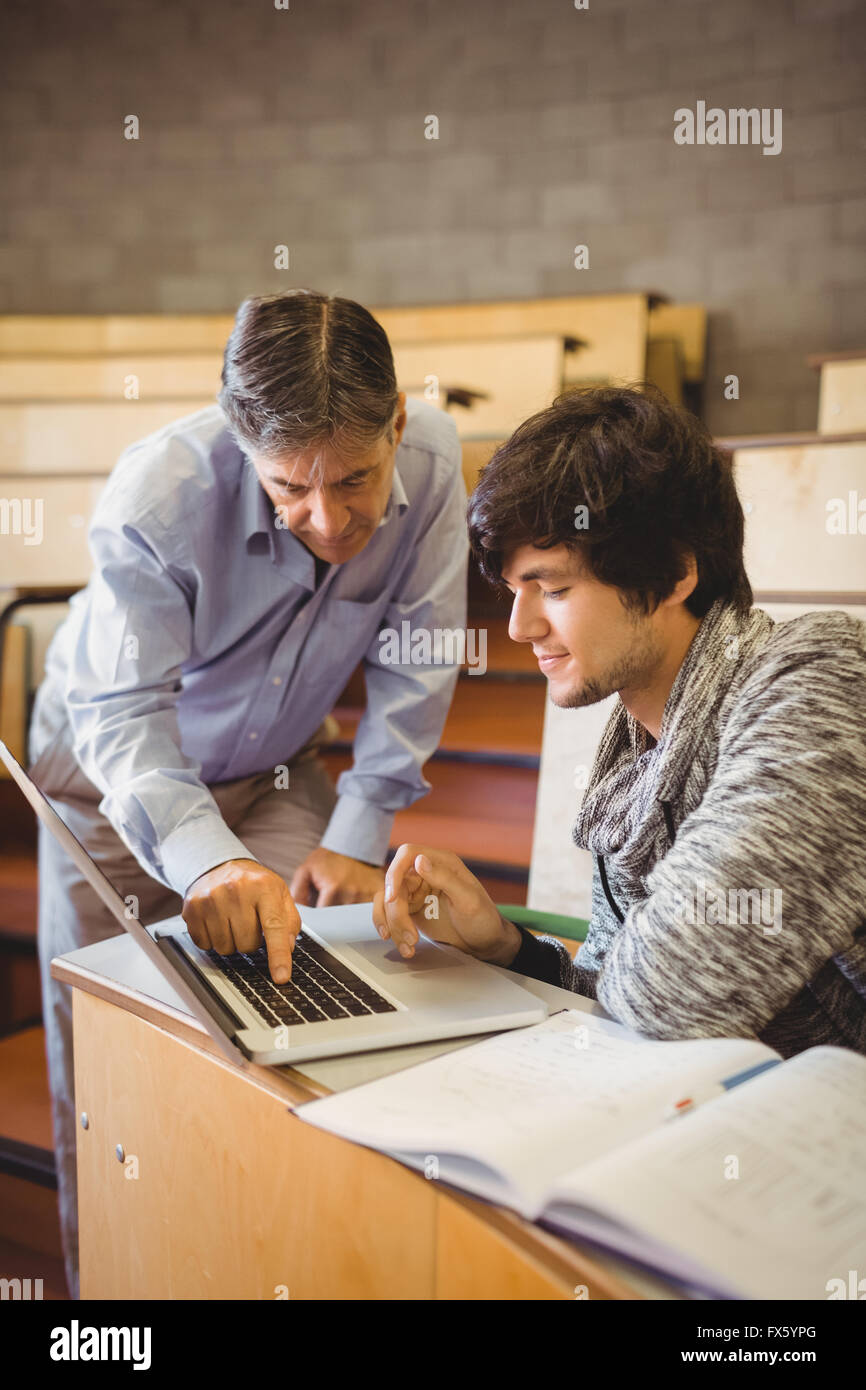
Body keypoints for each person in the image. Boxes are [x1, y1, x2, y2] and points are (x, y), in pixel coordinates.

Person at [30, 289, 468, 1297]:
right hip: (108, 784)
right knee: (111, 1051)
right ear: (239, 440)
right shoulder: (159, 494)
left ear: (396, 419)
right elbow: (124, 717)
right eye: (290, 489)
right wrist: (208, 860)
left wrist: (360, 829)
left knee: (320, 1004)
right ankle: (112, 1289)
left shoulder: (436, 466)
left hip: (275, 766)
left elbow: (418, 658)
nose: (330, 520)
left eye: (356, 478)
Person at [374, 384, 866, 1061]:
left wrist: (620, 982)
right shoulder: (631, 759)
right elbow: (613, 992)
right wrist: (506, 949)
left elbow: (674, 994)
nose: (521, 626)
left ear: (673, 572)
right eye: (514, 591)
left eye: (553, 588)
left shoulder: (821, 676)